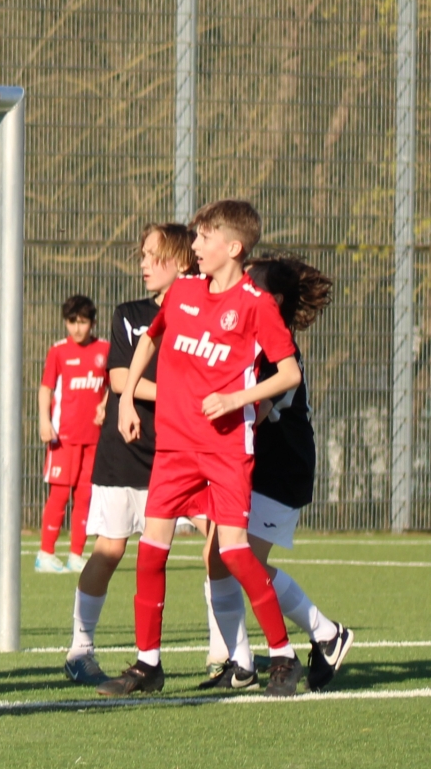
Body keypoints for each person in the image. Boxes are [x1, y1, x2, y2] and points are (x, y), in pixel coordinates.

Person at [96, 199, 306, 698]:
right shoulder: (185, 291)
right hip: (174, 446)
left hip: (226, 449)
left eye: (204, 238)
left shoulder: (255, 304)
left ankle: (283, 656)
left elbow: (289, 373)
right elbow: (150, 341)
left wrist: (236, 398)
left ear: (232, 247)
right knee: (151, 549)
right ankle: (148, 665)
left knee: (234, 552)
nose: (195, 246)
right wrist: (126, 398)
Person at [194, 254, 353, 692]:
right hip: (249, 467)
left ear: (274, 300)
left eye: (252, 289)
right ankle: (240, 663)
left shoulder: (278, 353)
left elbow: (256, 415)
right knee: (218, 559)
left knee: (244, 560)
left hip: (280, 471)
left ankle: (326, 633)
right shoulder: (247, 341)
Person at [62, 223, 194, 686]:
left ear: (183, 262)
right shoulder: (130, 314)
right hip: (127, 451)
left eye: (154, 255)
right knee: (111, 549)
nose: (143, 263)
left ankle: (229, 656)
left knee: (221, 543)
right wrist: (179, 396)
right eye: (142, 254)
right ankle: (80, 649)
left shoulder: (200, 315)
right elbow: (120, 380)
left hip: (182, 449)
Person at [37, 295, 109, 573]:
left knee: (85, 496)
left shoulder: (105, 349)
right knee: (59, 495)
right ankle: (46, 553)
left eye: (83, 322)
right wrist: (44, 420)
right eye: (72, 322)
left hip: (94, 437)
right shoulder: (58, 351)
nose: (77, 328)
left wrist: (105, 406)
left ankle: (76, 554)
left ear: (93, 323)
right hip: (63, 437)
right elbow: (46, 388)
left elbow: (114, 385)